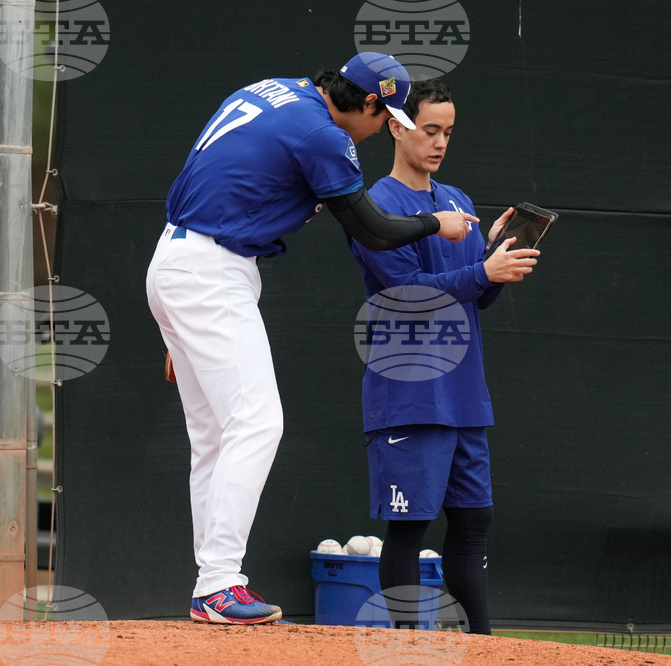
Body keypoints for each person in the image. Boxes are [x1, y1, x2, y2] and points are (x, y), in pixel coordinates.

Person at [145, 52, 479, 625]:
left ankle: (211, 583)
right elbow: (373, 230)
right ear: (369, 103)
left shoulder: (274, 88)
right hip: (211, 271)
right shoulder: (323, 136)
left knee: (214, 440)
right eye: (387, 120)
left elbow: (209, 179)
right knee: (257, 423)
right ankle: (220, 583)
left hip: (176, 259)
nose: (383, 132)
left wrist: (178, 322)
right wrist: (435, 223)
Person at [345, 79, 540, 634]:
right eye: (430, 130)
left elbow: (474, 293)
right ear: (398, 127)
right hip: (408, 391)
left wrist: (495, 262)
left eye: (448, 133)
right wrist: (482, 270)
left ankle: (482, 644)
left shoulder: (456, 200)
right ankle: (407, 644)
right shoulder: (375, 204)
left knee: (474, 521)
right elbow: (407, 293)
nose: (440, 142)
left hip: (463, 393)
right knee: (409, 528)